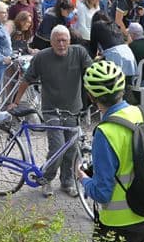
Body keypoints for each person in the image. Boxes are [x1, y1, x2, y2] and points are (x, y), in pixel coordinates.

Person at [79, 60, 144, 242]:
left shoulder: (106, 132)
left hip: (121, 225)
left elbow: (102, 194)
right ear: (122, 89)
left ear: (91, 96)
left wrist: (82, 178)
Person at [10, 25, 93, 197]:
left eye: (64, 40)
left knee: (71, 149)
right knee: (57, 147)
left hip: (73, 110)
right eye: (57, 40)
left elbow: (92, 73)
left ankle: (67, 182)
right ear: (51, 41)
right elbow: (26, 79)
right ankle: (46, 179)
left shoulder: (79, 52)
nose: (61, 44)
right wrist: (16, 101)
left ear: (69, 41)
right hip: (51, 110)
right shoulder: (42, 57)